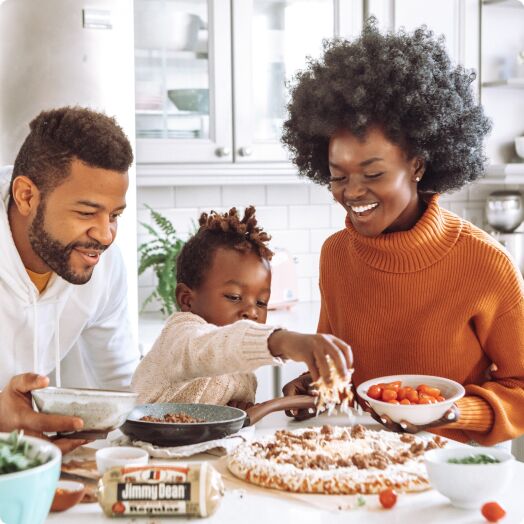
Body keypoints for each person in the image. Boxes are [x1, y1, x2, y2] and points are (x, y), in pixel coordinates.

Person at [280, 20, 524, 446]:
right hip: (355, 464)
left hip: (451, 479)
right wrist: (311, 386)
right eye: (338, 176)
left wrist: (449, 412)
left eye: (373, 173)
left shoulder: (486, 264)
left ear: (418, 165)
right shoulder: (336, 255)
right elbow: (340, 372)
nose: (352, 193)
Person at [0, 106, 140, 452]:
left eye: (115, 215)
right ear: (27, 196)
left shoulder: (102, 267)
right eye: (86, 212)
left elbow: (122, 386)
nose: (106, 235)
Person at [132, 206, 352, 409]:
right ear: (187, 300)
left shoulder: (243, 371)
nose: (252, 312)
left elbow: (221, 413)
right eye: (234, 296)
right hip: (137, 450)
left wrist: (239, 409)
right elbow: (210, 349)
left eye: (261, 302)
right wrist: (282, 340)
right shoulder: (181, 335)